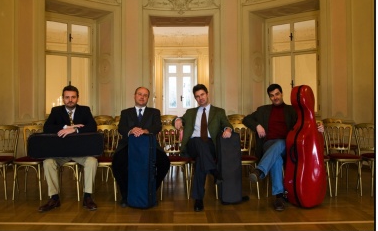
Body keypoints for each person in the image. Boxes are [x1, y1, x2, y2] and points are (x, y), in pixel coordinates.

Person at [243, 83, 324, 211]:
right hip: (269, 145)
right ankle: (279, 197)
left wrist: (318, 127)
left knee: (280, 146)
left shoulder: (292, 110)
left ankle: (261, 172)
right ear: (269, 97)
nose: (275, 97)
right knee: (277, 156)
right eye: (272, 96)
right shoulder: (263, 110)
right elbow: (246, 119)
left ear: (281, 94)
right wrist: (257, 126)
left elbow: (305, 124)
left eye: (277, 94)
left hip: (289, 146)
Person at [173, 84, 236, 212]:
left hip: (210, 146)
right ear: (195, 99)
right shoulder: (190, 112)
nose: (200, 98)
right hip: (192, 146)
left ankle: (198, 199)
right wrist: (177, 119)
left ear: (207, 94)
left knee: (201, 161)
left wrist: (228, 129)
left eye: (202, 95)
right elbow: (179, 120)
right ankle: (214, 171)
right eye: (197, 96)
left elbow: (227, 124)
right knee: (197, 141)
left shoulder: (219, 111)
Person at [39, 85, 98, 212]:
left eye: (73, 97)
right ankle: (54, 198)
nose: (70, 100)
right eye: (67, 97)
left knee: (92, 161)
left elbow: (93, 126)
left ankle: (87, 197)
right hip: (61, 152)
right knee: (48, 162)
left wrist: (75, 129)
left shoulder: (85, 110)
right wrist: (66, 127)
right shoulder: (56, 111)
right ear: (63, 98)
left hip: (80, 152)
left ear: (77, 98)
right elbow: (47, 128)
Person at [112, 86, 170, 208]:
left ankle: (150, 192)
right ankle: (126, 195)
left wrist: (145, 130)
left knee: (164, 162)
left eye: (145, 95)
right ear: (134, 96)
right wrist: (132, 130)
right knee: (118, 163)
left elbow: (157, 126)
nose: (142, 97)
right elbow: (121, 128)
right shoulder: (125, 112)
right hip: (128, 145)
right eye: (139, 94)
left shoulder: (154, 112)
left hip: (150, 146)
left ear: (148, 98)